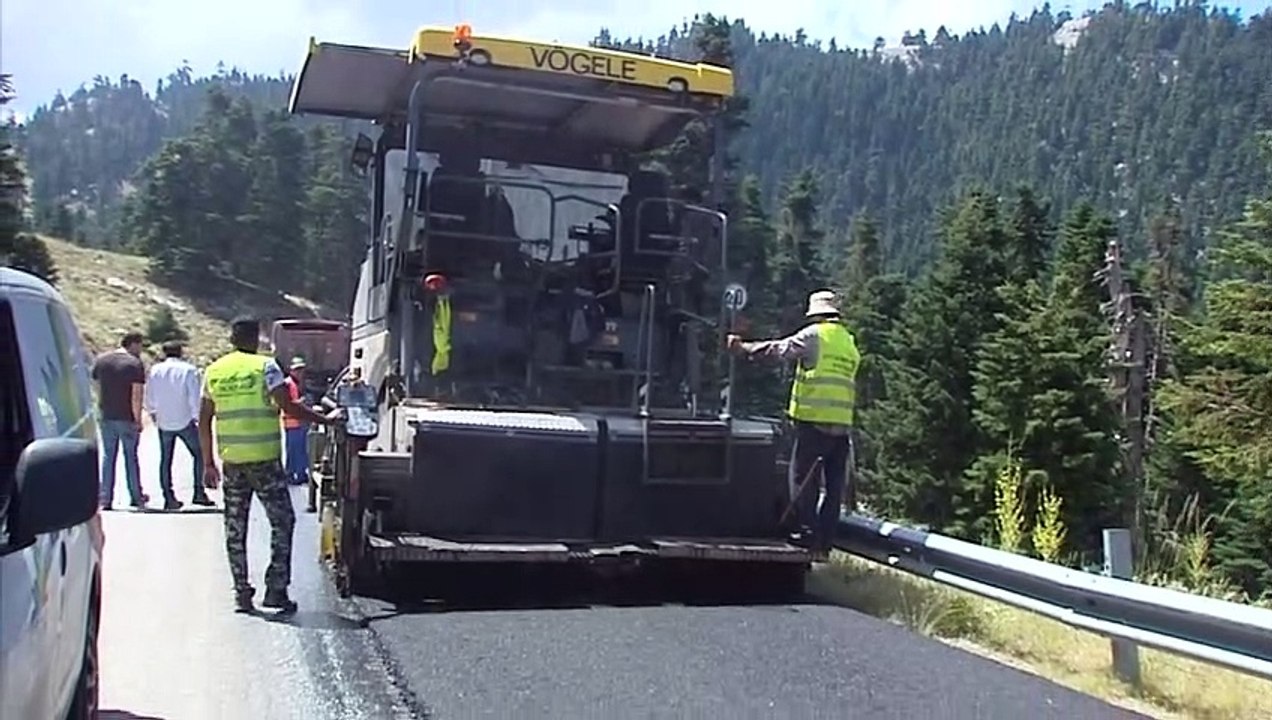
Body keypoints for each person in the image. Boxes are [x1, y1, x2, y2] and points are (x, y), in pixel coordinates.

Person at [198, 317, 336, 613]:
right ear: (256, 338)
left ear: (231, 339)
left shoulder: (214, 371)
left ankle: (242, 594)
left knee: (235, 528)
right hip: (265, 462)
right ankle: (276, 590)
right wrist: (326, 420)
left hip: (232, 462)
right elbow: (288, 406)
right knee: (283, 521)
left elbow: (204, 419)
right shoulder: (266, 367)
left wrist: (208, 463)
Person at [727, 289, 861, 559]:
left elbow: (779, 350)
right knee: (833, 487)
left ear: (816, 314)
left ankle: (805, 532)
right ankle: (825, 540)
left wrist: (743, 348)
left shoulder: (814, 336)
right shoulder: (848, 340)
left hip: (815, 421)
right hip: (842, 424)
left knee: (802, 478)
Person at [144, 339, 212, 510]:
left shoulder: (155, 370)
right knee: (199, 455)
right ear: (181, 352)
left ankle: (168, 496)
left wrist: (153, 413)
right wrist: (198, 417)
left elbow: (150, 395)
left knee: (165, 459)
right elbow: (194, 397)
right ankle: (198, 492)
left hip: (164, 420)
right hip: (185, 419)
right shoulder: (189, 370)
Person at [92, 331, 148, 510]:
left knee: (109, 457)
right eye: (140, 345)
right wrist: (138, 419)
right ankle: (136, 497)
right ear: (133, 344)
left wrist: (101, 408)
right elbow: (136, 395)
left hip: (107, 415)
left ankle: (105, 498)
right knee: (131, 458)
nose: (140, 349)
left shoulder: (102, 361)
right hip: (126, 417)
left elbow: (97, 387)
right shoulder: (134, 364)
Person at [281, 355, 310, 487]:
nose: (300, 373)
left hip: (299, 423)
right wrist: (302, 402)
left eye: (301, 370)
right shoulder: (288, 384)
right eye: (297, 370)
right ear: (292, 371)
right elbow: (288, 404)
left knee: (300, 450)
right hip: (292, 423)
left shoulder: (297, 384)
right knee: (294, 450)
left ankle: (300, 474)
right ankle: (292, 474)